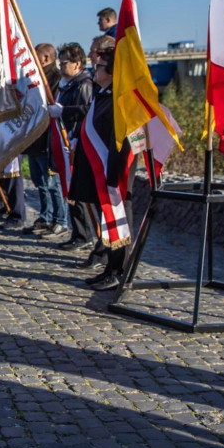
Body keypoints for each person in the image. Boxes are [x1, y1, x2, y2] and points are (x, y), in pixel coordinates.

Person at [74, 43, 136, 291]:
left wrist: (114, 176)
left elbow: (121, 141)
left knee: (118, 222)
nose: (94, 69)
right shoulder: (103, 94)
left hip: (114, 174)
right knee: (107, 223)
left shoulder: (120, 99)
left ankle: (120, 271)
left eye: (99, 66)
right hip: (102, 172)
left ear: (111, 71)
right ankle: (110, 267)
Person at [69, 35, 114, 270]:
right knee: (98, 208)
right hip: (91, 153)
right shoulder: (99, 82)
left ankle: (106, 255)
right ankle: (102, 251)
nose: (90, 56)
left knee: (108, 212)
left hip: (106, 159)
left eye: (95, 51)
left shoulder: (98, 82)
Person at [54, 42, 97, 253]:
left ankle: (84, 234)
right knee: (70, 191)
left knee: (76, 193)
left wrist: (63, 112)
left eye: (65, 62)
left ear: (77, 63)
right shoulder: (67, 84)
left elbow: (85, 111)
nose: (61, 66)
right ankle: (78, 233)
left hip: (75, 140)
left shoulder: (84, 84)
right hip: (67, 140)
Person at [22, 43, 67, 238]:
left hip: (47, 140)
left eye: (36, 55)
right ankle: (46, 217)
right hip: (34, 139)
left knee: (52, 184)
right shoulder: (36, 77)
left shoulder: (55, 79)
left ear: (46, 58)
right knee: (39, 183)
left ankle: (60, 220)